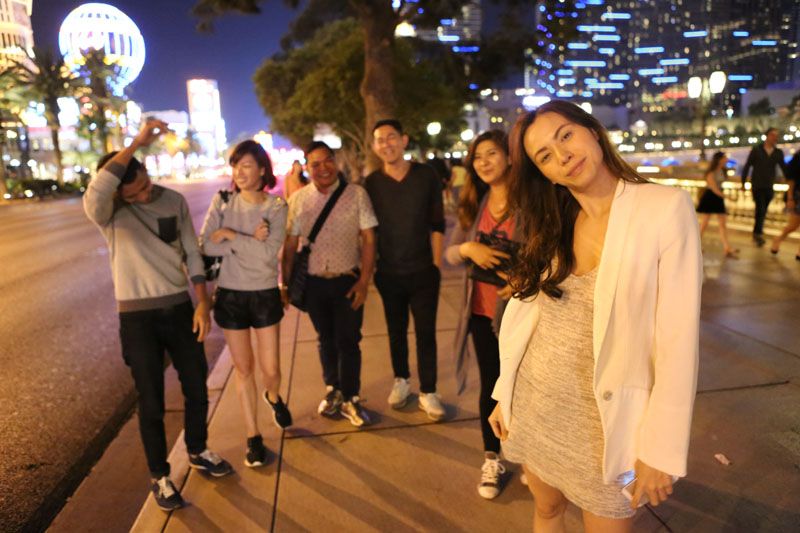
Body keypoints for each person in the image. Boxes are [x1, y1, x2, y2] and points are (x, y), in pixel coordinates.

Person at [488, 101, 702, 532]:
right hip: (537, 405)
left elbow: (677, 340)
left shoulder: (664, 209)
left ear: (593, 131)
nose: (563, 155)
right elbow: (531, 319)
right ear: (545, 174)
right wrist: (503, 393)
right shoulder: (556, 222)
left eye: (566, 135)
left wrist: (660, 448)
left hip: (605, 428)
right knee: (547, 511)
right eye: (545, 156)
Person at [83, 119, 233, 512]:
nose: (144, 194)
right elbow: (98, 189)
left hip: (179, 309)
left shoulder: (173, 201)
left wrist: (203, 301)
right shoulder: (108, 212)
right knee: (150, 400)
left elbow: (192, 252)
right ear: (120, 194)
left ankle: (197, 449)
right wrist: (136, 142)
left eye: (146, 185)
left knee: (197, 385)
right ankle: (160, 475)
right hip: (137, 319)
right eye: (134, 193)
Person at [199, 140, 290, 469]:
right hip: (231, 295)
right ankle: (254, 437)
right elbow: (206, 245)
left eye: (247, 165)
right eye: (236, 166)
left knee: (271, 370)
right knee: (243, 369)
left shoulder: (276, 207)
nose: (239, 172)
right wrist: (249, 240)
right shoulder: (222, 201)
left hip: (264, 293)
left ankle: (273, 396)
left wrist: (232, 236)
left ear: (262, 170)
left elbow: (268, 255)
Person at [282, 141, 378, 427]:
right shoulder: (299, 200)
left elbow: (369, 239)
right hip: (313, 284)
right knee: (325, 338)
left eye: (328, 161)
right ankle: (333, 389)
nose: (323, 168)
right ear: (307, 168)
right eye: (315, 164)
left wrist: (364, 281)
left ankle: (351, 396)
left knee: (349, 340)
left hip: (347, 280)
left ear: (335, 162)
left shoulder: (356, 194)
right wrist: (285, 285)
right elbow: (290, 246)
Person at [445, 130, 516, 499]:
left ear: (510, 157)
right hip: (481, 312)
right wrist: (469, 249)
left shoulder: (531, 203)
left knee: (524, 389)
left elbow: (551, 255)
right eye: (478, 157)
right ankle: (493, 457)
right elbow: (450, 253)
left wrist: (522, 280)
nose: (484, 162)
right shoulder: (475, 203)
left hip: (520, 315)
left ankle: (532, 456)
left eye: (492, 154)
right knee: (491, 386)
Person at [365, 119, 447, 421]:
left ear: (404, 139)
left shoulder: (426, 176)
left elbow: (437, 223)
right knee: (395, 331)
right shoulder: (371, 184)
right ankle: (401, 380)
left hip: (423, 270)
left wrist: (436, 265)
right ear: (374, 147)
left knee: (426, 333)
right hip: (388, 272)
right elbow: (369, 232)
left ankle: (429, 391)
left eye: (391, 137)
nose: (386, 144)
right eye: (380, 139)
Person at [741, 127, 788, 246]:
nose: (775, 138)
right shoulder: (757, 150)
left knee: (763, 210)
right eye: (772, 135)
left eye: (776, 136)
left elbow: (784, 168)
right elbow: (747, 166)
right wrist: (743, 183)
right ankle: (758, 234)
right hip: (757, 185)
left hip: (769, 186)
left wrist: (791, 180)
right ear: (767, 136)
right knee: (760, 209)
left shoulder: (778, 153)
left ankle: (757, 232)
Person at [697, 151, 738, 258]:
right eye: (725, 158)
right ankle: (696, 245)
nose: (726, 159)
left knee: (722, 223)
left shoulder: (722, 170)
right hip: (710, 197)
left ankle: (727, 247)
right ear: (719, 159)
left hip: (718, 198)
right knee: (704, 223)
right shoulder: (711, 173)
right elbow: (714, 189)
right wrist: (728, 197)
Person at [770, 150, 800, 260]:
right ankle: (778, 239)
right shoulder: (798, 159)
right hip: (798, 195)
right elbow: (791, 180)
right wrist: (790, 198)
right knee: (793, 225)